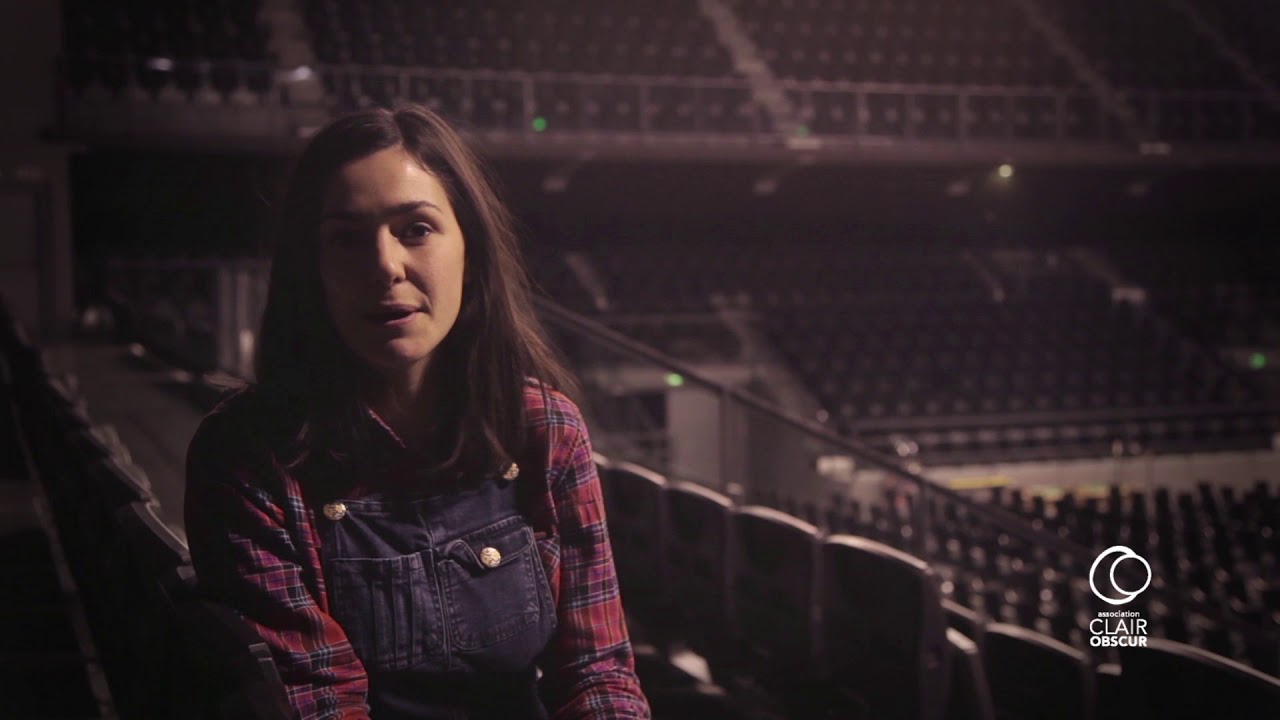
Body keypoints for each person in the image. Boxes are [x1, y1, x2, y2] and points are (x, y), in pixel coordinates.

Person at [184, 104, 651, 720]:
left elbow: (596, 672)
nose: (384, 265)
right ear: (311, 270)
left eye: (416, 229)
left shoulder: (547, 430)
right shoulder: (247, 458)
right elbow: (319, 703)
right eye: (346, 239)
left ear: (470, 251)